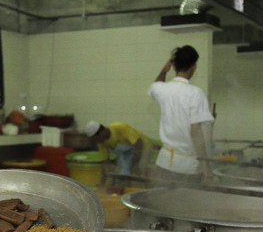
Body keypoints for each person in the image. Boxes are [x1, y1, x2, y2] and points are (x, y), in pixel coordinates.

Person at [148, 45, 215, 184]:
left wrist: (165, 68)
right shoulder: (195, 93)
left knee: (161, 203)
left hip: (164, 164)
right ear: (194, 66)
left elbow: (156, 85)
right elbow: (196, 131)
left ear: (173, 66)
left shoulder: (162, 89)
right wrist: (206, 168)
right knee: (185, 203)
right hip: (188, 168)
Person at [84, 120, 151, 176]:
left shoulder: (119, 127)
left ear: (101, 132)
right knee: (124, 174)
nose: (96, 141)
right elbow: (106, 160)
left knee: (138, 172)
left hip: (143, 148)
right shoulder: (101, 142)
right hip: (128, 152)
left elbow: (139, 142)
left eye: (96, 138)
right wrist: (107, 169)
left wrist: (135, 164)